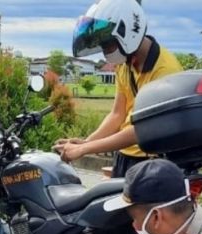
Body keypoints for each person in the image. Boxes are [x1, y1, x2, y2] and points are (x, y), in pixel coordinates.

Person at [53, 0, 183, 177]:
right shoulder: (124, 63)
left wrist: (86, 149)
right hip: (124, 156)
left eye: (108, 43)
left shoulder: (165, 71)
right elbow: (117, 115)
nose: (105, 50)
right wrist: (85, 142)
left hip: (152, 162)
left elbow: (144, 129)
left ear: (127, 32)